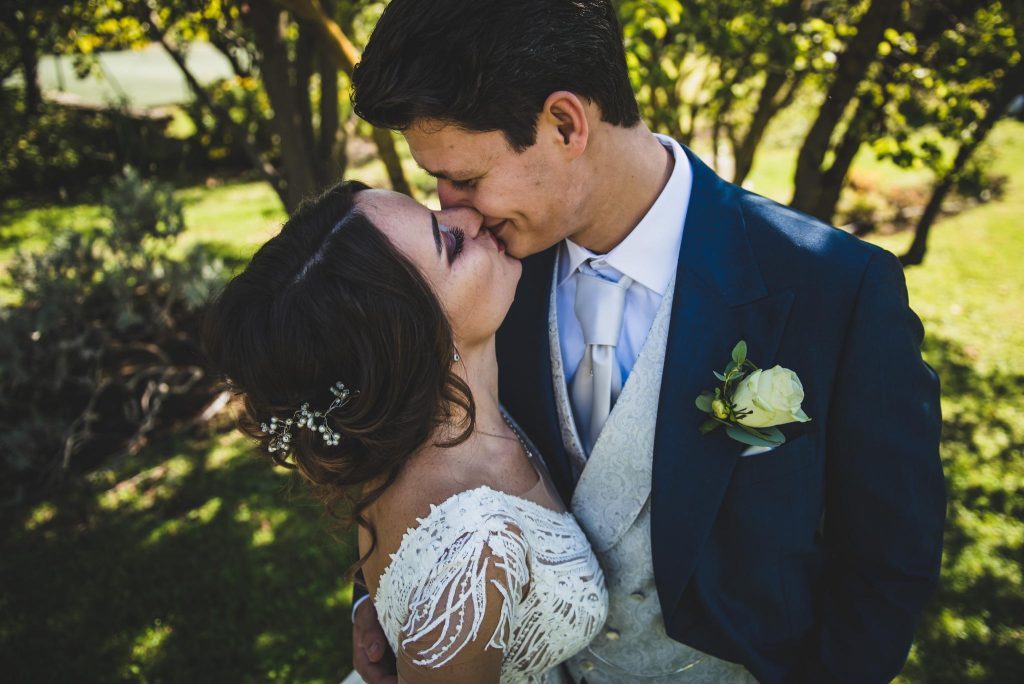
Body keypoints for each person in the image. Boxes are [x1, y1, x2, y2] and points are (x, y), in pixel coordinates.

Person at [348, 1, 946, 683]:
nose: (451, 210)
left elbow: (886, 562)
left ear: (566, 123)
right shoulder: (477, 282)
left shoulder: (834, 290)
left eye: (467, 178)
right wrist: (386, 590)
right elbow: (409, 450)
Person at [202, 181, 608, 684]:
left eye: (434, 213)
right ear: (415, 342)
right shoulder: (471, 552)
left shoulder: (403, 436)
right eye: (451, 245)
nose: (471, 216)